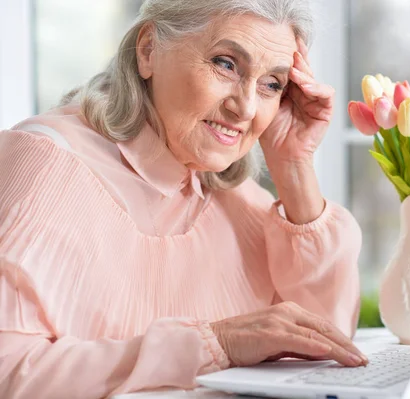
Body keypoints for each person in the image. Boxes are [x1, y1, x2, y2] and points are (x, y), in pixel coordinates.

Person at [0, 0, 366, 398]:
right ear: (148, 50)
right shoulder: (46, 161)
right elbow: (9, 372)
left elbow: (325, 345)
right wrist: (214, 345)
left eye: (272, 84)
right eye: (226, 63)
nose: (245, 106)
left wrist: (294, 166)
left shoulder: (229, 194)